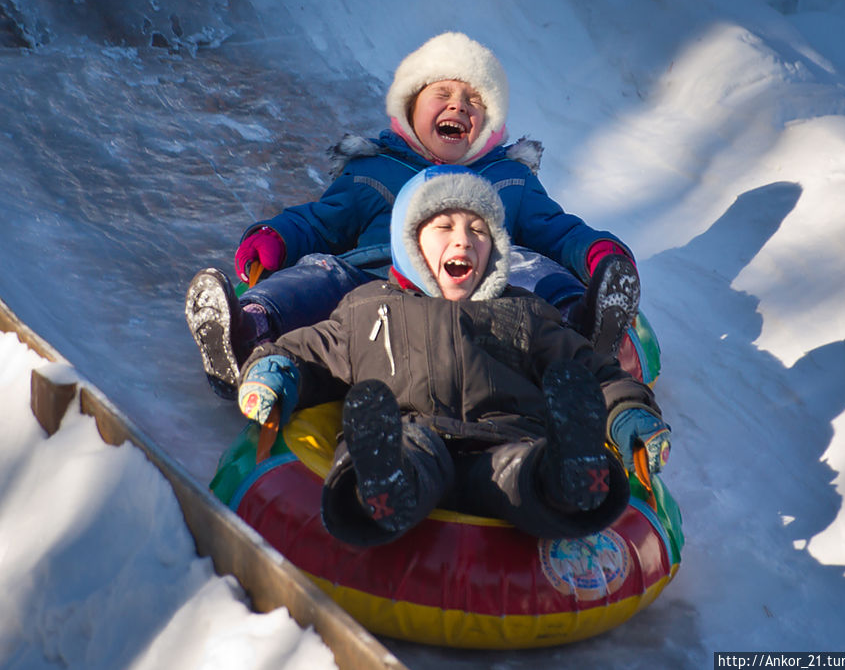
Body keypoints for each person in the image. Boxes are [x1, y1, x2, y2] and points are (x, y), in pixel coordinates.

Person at [186, 32, 641, 399]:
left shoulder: (507, 178)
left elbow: (556, 232)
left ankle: (586, 327)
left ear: (490, 124)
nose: (459, 105)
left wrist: (598, 254)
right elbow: (322, 222)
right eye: (442, 93)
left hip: (484, 288)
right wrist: (278, 236)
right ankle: (249, 328)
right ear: (409, 107)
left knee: (531, 266)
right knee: (322, 274)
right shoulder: (375, 168)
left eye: (474, 101)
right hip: (378, 279)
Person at [235, 166, 670, 547]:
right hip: (413, 431)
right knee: (408, 453)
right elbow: (312, 353)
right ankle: (382, 484)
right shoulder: (367, 308)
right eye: (443, 226)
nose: (463, 240)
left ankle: (566, 476)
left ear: (496, 248)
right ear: (409, 241)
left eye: (479, 231)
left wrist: (628, 410)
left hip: (508, 439)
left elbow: (591, 371)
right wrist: (276, 370)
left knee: (523, 470)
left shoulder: (527, 311)